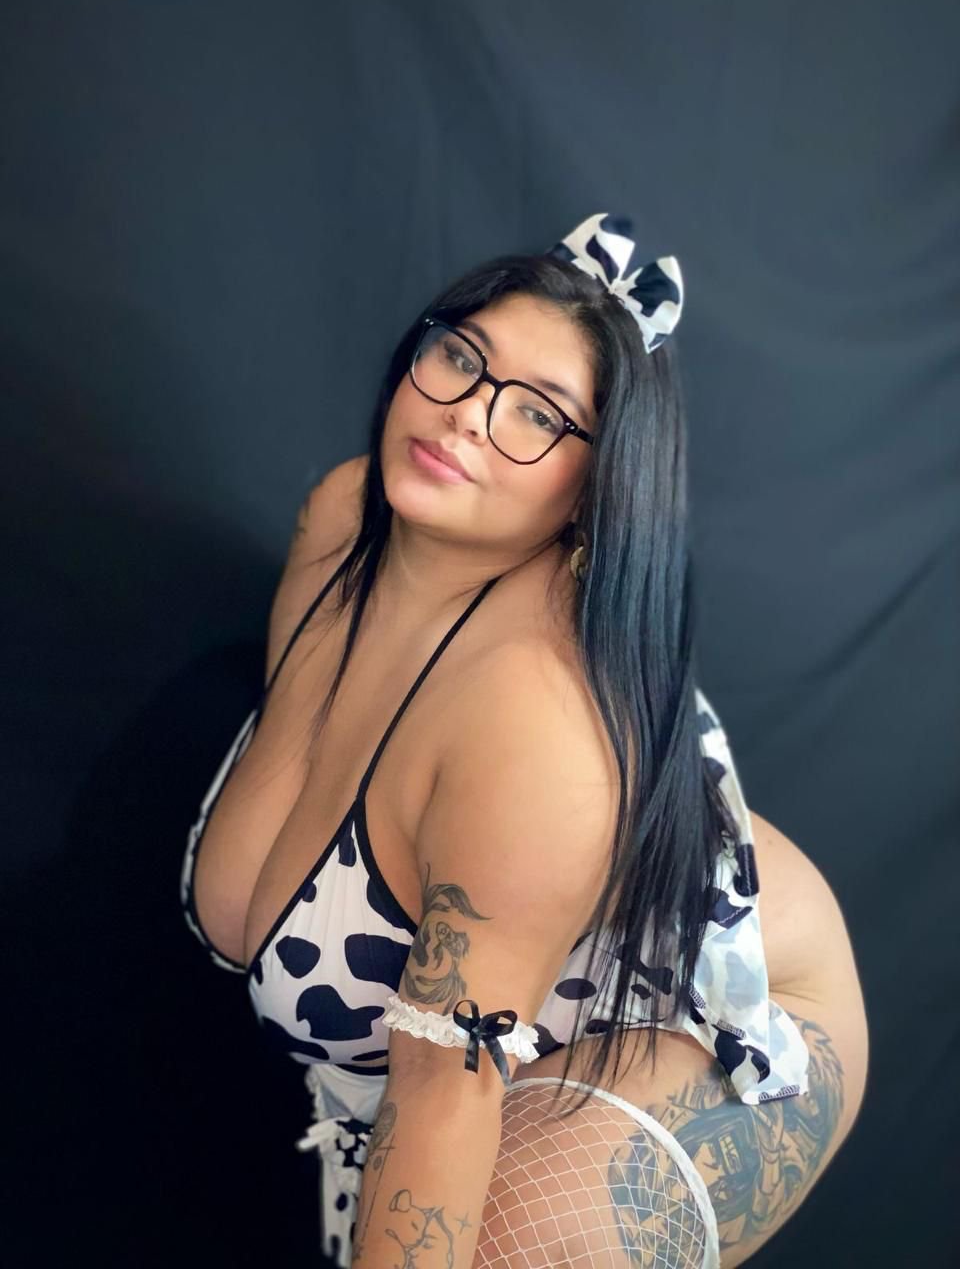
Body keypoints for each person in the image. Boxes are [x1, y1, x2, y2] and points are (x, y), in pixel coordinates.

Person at [180, 213, 868, 1268]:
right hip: (504, 991)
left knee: (503, 1236)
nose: (466, 415)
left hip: (732, 1020)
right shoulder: (345, 519)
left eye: (539, 414)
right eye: (461, 357)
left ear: (594, 490)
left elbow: (441, 1098)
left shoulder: (535, 725)